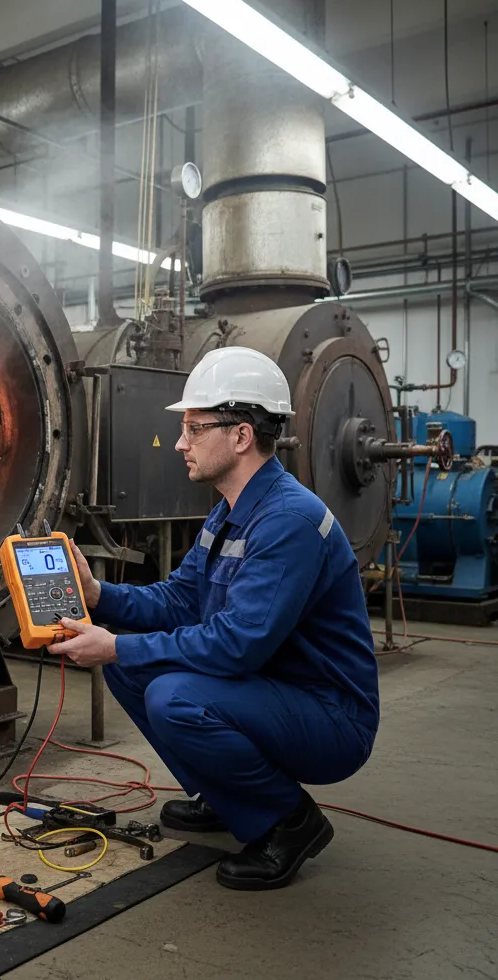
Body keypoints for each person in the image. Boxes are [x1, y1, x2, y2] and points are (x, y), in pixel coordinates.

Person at [51, 346, 379, 890]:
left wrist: (114, 646)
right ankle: (227, 793)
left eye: (194, 428)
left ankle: (289, 821)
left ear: (242, 435)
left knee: (171, 695)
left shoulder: (287, 521)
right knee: (132, 667)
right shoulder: (231, 511)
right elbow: (181, 600)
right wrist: (98, 594)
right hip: (275, 687)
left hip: (330, 716)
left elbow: (237, 644)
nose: (181, 443)